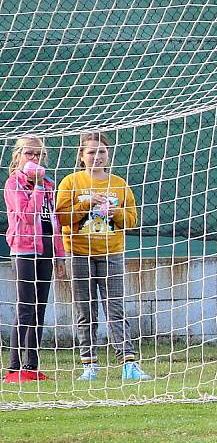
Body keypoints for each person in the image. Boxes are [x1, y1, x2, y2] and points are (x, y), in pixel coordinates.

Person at [55, 132, 152, 382]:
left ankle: (128, 363)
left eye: (101, 152)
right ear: (81, 156)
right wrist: (87, 205)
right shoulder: (70, 182)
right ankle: (89, 365)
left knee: (116, 309)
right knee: (85, 311)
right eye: (91, 152)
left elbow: (131, 220)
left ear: (108, 156)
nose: (97, 156)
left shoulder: (119, 184)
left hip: (112, 254)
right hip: (78, 254)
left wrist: (115, 211)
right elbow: (62, 218)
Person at [3, 136, 66, 384]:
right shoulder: (13, 184)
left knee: (40, 308)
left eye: (39, 155)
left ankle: (31, 365)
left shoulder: (49, 185)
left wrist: (59, 255)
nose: (35, 159)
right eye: (30, 154)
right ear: (18, 156)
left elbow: (54, 222)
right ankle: (14, 368)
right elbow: (28, 216)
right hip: (24, 250)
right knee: (25, 308)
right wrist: (37, 187)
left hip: (46, 250)